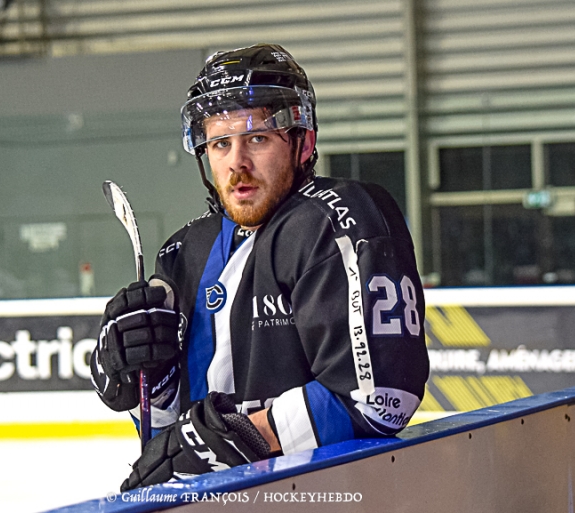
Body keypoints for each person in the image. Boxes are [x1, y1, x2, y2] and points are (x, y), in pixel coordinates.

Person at [90, 43, 430, 491]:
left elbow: (380, 399)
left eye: (257, 138)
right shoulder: (184, 252)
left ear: (303, 142)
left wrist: (246, 436)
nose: (236, 163)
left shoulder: (334, 218)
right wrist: (148, 383)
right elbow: (166, 435)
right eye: (219, 143)